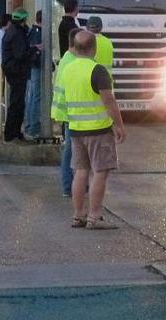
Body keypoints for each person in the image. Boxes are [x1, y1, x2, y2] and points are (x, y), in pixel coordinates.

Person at [61, 31, 127, 229]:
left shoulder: (68, 69)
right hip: (98, 130)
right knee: (100, 172)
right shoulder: (97, 70)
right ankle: (95, 217)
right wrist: (119, 125)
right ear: (94, 48)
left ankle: (78, 215)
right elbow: (109, 101)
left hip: (75, 129)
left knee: (80, 172)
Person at [52, 27, 81, 197]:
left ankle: (72, 184)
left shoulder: (67, 58)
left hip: (66, 111)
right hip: (71, 112)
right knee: (70, 151)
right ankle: (68, 186)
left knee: (71, 150)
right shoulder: (72, 61)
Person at [2, 8, 31, 143]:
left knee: (16, 102)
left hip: (11, 70)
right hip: (17, 71)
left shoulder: (10, 31)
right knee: (17, 103)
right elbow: (20, 54)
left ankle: (12, 132)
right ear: (23, 19)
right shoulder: (18, 33)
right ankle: (12, 133)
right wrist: (35, 50)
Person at [24, 10, 44, 139]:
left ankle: (29, 125)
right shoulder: (38, 33)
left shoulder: (31, 31)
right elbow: (37, 51)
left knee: (32, 96)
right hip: (36, 67)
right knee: (36, 97)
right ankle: (33, 127)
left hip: (31, 68)